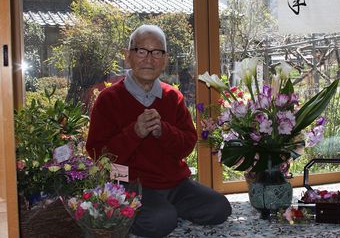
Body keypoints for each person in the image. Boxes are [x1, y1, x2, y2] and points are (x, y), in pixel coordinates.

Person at [86, 24, 232, 237]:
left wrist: (163, 131)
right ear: (128, 56)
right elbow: (98, 154)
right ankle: (159, 212)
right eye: (141, 51)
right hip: (131, 184)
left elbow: (187, 145)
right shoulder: (108, 99)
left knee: (220, 208)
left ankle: (166, 210)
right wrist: (134, 132)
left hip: (175, 183)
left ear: (165, 59)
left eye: (156, 53)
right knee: (160, 222)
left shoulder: (173, 97)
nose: (149, 59)